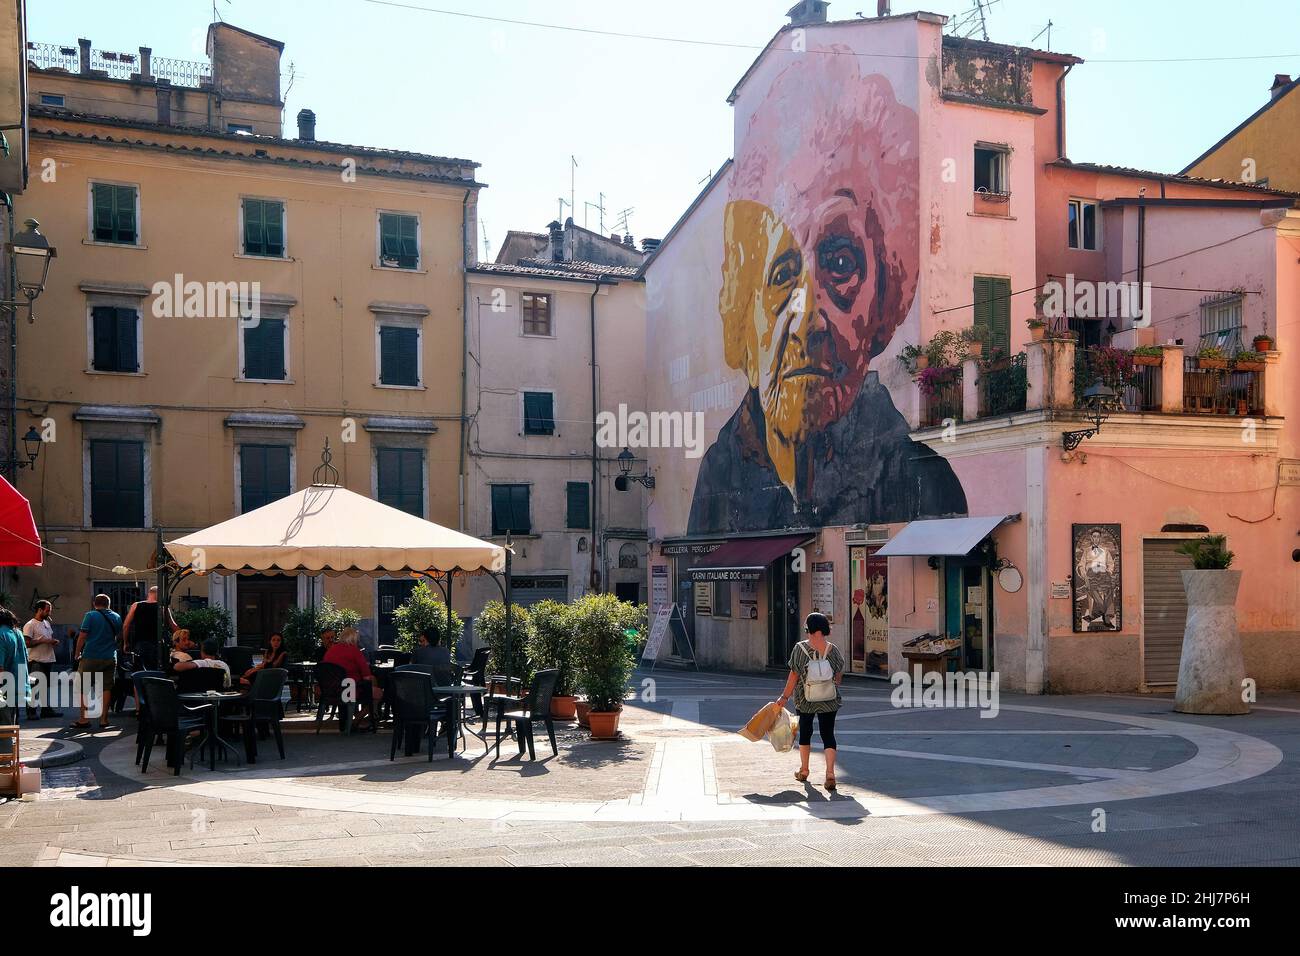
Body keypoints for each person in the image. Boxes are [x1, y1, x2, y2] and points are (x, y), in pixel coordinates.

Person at [687, 55, 966, 534]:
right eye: (780, 275)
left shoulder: (920, 479)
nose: (808, 319)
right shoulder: (717, 477)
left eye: (840, 264)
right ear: (744, 312)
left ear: (885, 296)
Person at [777, 612, 845, 791]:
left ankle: (804, 770)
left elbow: (794, 675)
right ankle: (830, 774)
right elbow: (839, 676)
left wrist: (784, 697)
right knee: (828, 734)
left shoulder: (800, 649)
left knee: (805, 733)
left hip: (805, 699)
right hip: (829, 698)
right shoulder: (833, 649)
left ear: (809, 628)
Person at [72, 593, 121, 731]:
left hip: (91, 656)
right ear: (108, 604)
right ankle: (104, 719)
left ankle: (84, 719)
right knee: (106, 688)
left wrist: (77, 654)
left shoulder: (90, 615)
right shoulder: (116, 617)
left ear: (95, 603)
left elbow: (82, 636)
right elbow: (119, 636)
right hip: (110, 657)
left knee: (82, 687)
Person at [323, 627, 382, 730]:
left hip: (331, 691)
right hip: (349, 690)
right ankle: (358, 720)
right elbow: (366, 674)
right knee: (378, 693)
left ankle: (357, 717)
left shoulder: (330, 651)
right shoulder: (354, 651)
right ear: (354, 639)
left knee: (369, 685)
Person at [121, 586, 177, 671]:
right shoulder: (162, 608)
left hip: (141, 643)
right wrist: (184, 636)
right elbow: (173, 626)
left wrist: (125, 642)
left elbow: (126, 625)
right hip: (157, 644)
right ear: (159, 595)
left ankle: (139, 684)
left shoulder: (136, 605)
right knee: (156, 670)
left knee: (140, 671)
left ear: (148, 594)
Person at [23, 600, 61, 718]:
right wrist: (42, 641)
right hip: (36, 660)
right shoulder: (30, 624)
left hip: (48, 659)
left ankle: (46, 710)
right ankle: (31, 711)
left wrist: (52, 641)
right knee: (35, 687)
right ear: (40, 610)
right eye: (47, 610)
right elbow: (26, 643)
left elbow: (47, 637)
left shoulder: (46, 623)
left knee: (45, 687)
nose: (49, 612)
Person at [0, 608, 29, 724]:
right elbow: (26, 657)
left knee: (4, 721)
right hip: (19, 681)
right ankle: (10, 739)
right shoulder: (18, 633)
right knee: (12, 718)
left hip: (5, 685)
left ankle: (7, 741)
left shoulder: (1, 634)